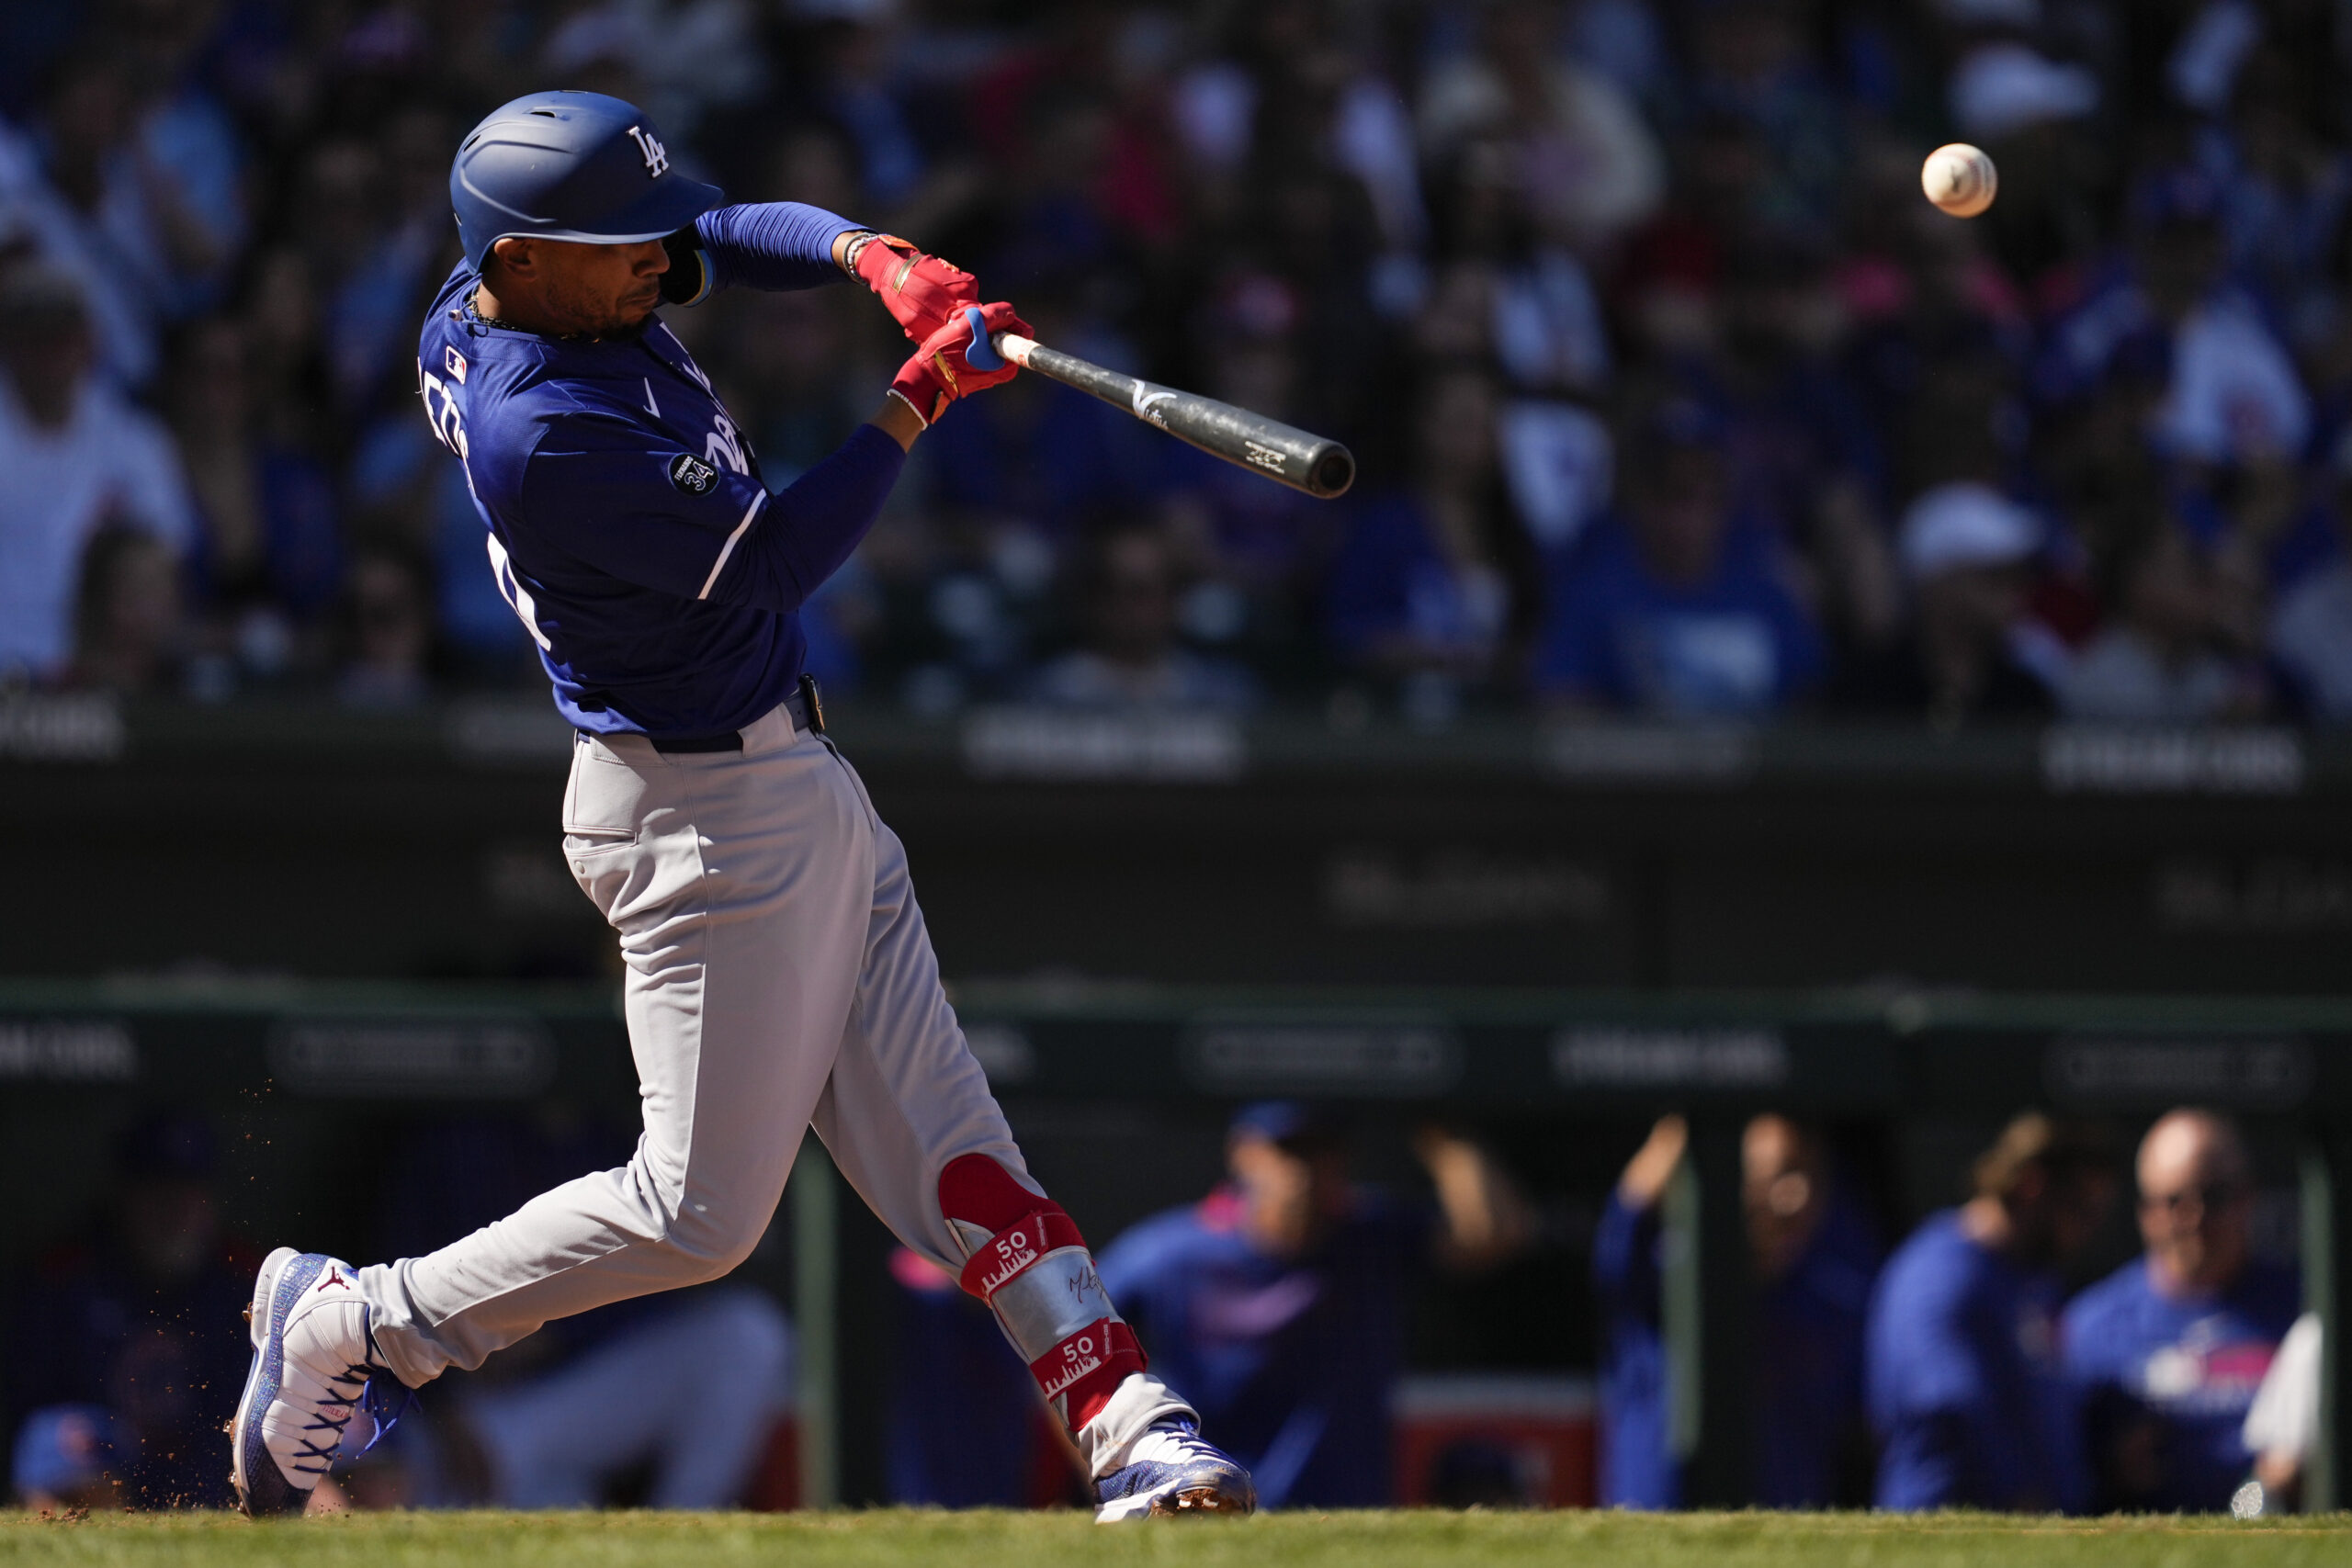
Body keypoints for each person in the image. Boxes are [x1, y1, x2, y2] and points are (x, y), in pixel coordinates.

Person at [226, 91, 1253, 1523]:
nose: (655, 256)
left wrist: (869, 256)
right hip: (700, 819)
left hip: (787, 784)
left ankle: (1129, 1419)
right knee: (697, 1216)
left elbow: (713, 225)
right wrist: (917, 398)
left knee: (961, 1156)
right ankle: (357, 1322)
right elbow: (777, 561)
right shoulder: (541, 429)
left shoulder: (516, 289)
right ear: (522, 260)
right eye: (614, 241)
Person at [1094, 1102, 1532, 1510]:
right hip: (1209, 1501)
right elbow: (1076, 1336)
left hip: (1347, 1511)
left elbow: (1492, 1235)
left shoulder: (1373, 1237)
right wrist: (1109, 1465)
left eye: (1320, 1151)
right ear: (1242, 1154)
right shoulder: (1173, 1254)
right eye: (1286, 1149)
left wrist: (1446, 1137)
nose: (1302, 1169)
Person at [1593, 1114, 1879, 1508]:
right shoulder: (1662, 1276)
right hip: (1658, 1514)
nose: (1793, 1194)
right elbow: (1627, 1221)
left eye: (1807, 1174)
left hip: (1784, 1521)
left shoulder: (1836, 1290)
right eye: (1773, 1174)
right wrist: (1699, 1105)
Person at [1865, 1112, 2119, 1513]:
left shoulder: (2033, 1276)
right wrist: (2020, 1497)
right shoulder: (1939, 1276)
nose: (2086, 1230)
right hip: (1947, 1538)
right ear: (2033, 1185)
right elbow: (1947, 1408)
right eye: (2080, 1209)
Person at [9, 1114, 256, 1511]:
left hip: (218, 1455)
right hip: (108, 1457)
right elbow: (35, 1412)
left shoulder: (249, 1279)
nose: (174, 1210)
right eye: (156, 1190)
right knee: (60, 1440)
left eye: (188, 1191)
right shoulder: (68, 1278)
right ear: (123, 1196)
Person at [2063, 1111, 2300, 1513]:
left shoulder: (2305, 1309)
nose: (2194, 1219)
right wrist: (2108, 1467)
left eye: (2214, 1197)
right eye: (2174, 1202)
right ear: (2145, 1212)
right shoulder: (2090, 1327)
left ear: (2248, 1197)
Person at [0, 262, 195, 681]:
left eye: (62, 335)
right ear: (9, 342)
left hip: (100, 676)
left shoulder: (136, 444)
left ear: (89, 341)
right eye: (35, 336)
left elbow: (163, 564)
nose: (50, 350)